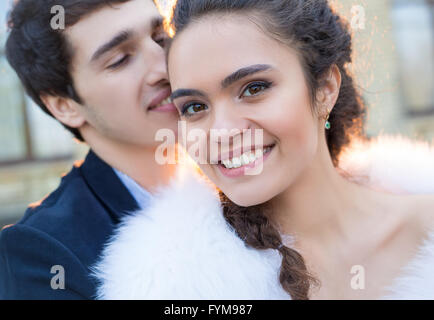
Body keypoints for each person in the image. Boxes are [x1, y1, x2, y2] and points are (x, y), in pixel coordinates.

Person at [93, 0, 434, 299]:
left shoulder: (426, 225)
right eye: (195, 107)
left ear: (325, 88)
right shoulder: (176, 284)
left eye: (254, 88)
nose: (223, 132)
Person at [0, 0, 177, 299]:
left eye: (161, 38)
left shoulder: (246, 173)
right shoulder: (44, 249)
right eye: (120, 59)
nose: (163, 66)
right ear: (64, 106)